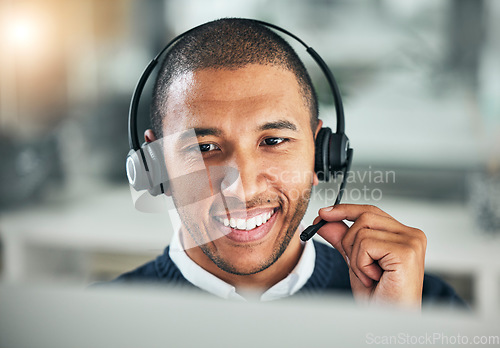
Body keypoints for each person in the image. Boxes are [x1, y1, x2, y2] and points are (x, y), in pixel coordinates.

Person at [112, 18, 464, 309]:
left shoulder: (424, 306)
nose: (243, 187)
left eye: (274, 141)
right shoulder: (97, 322)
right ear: (155, 167)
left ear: (321, 153)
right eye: (204, 147)